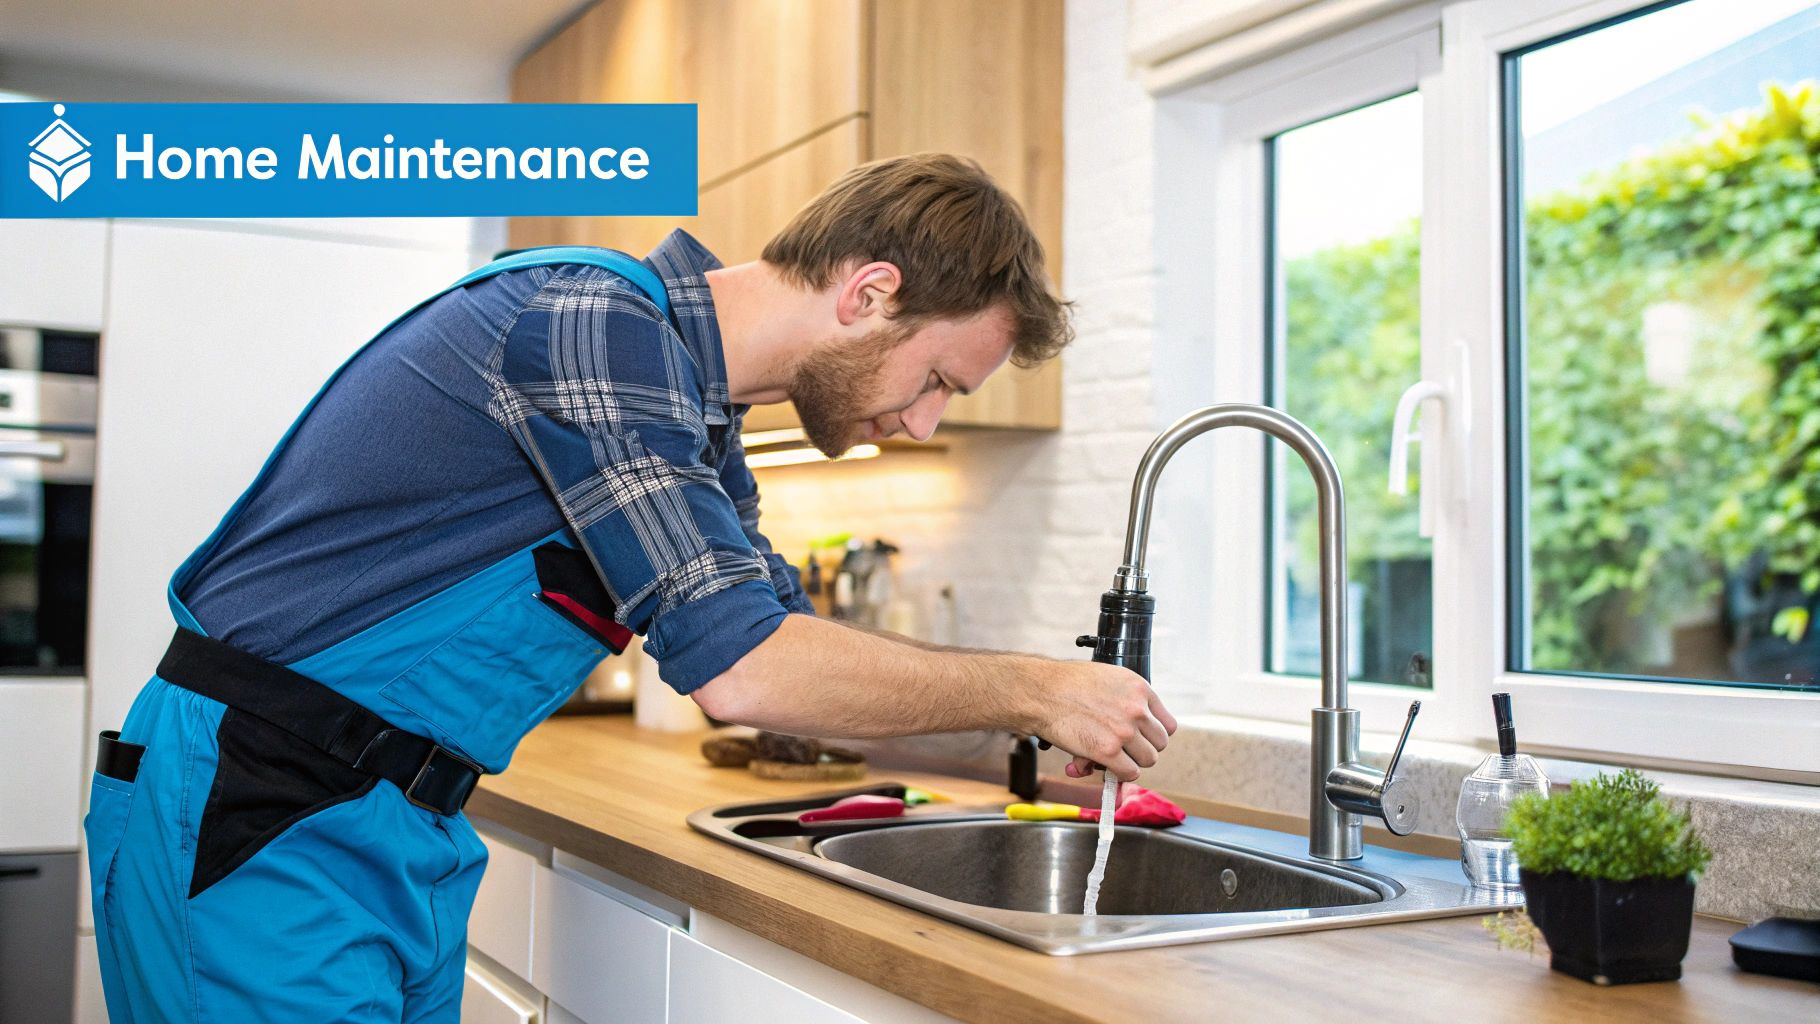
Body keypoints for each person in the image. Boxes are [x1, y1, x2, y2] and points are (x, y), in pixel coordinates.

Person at [85, 153, 1176, 1022]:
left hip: (392, 822)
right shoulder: (591, 323)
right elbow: (742, 671)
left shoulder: (700, 419)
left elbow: (773, 640)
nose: (929, 418)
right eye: (937, 377)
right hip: (260, 801)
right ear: (869, 292)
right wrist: (1035, 690)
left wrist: (1022, 724)